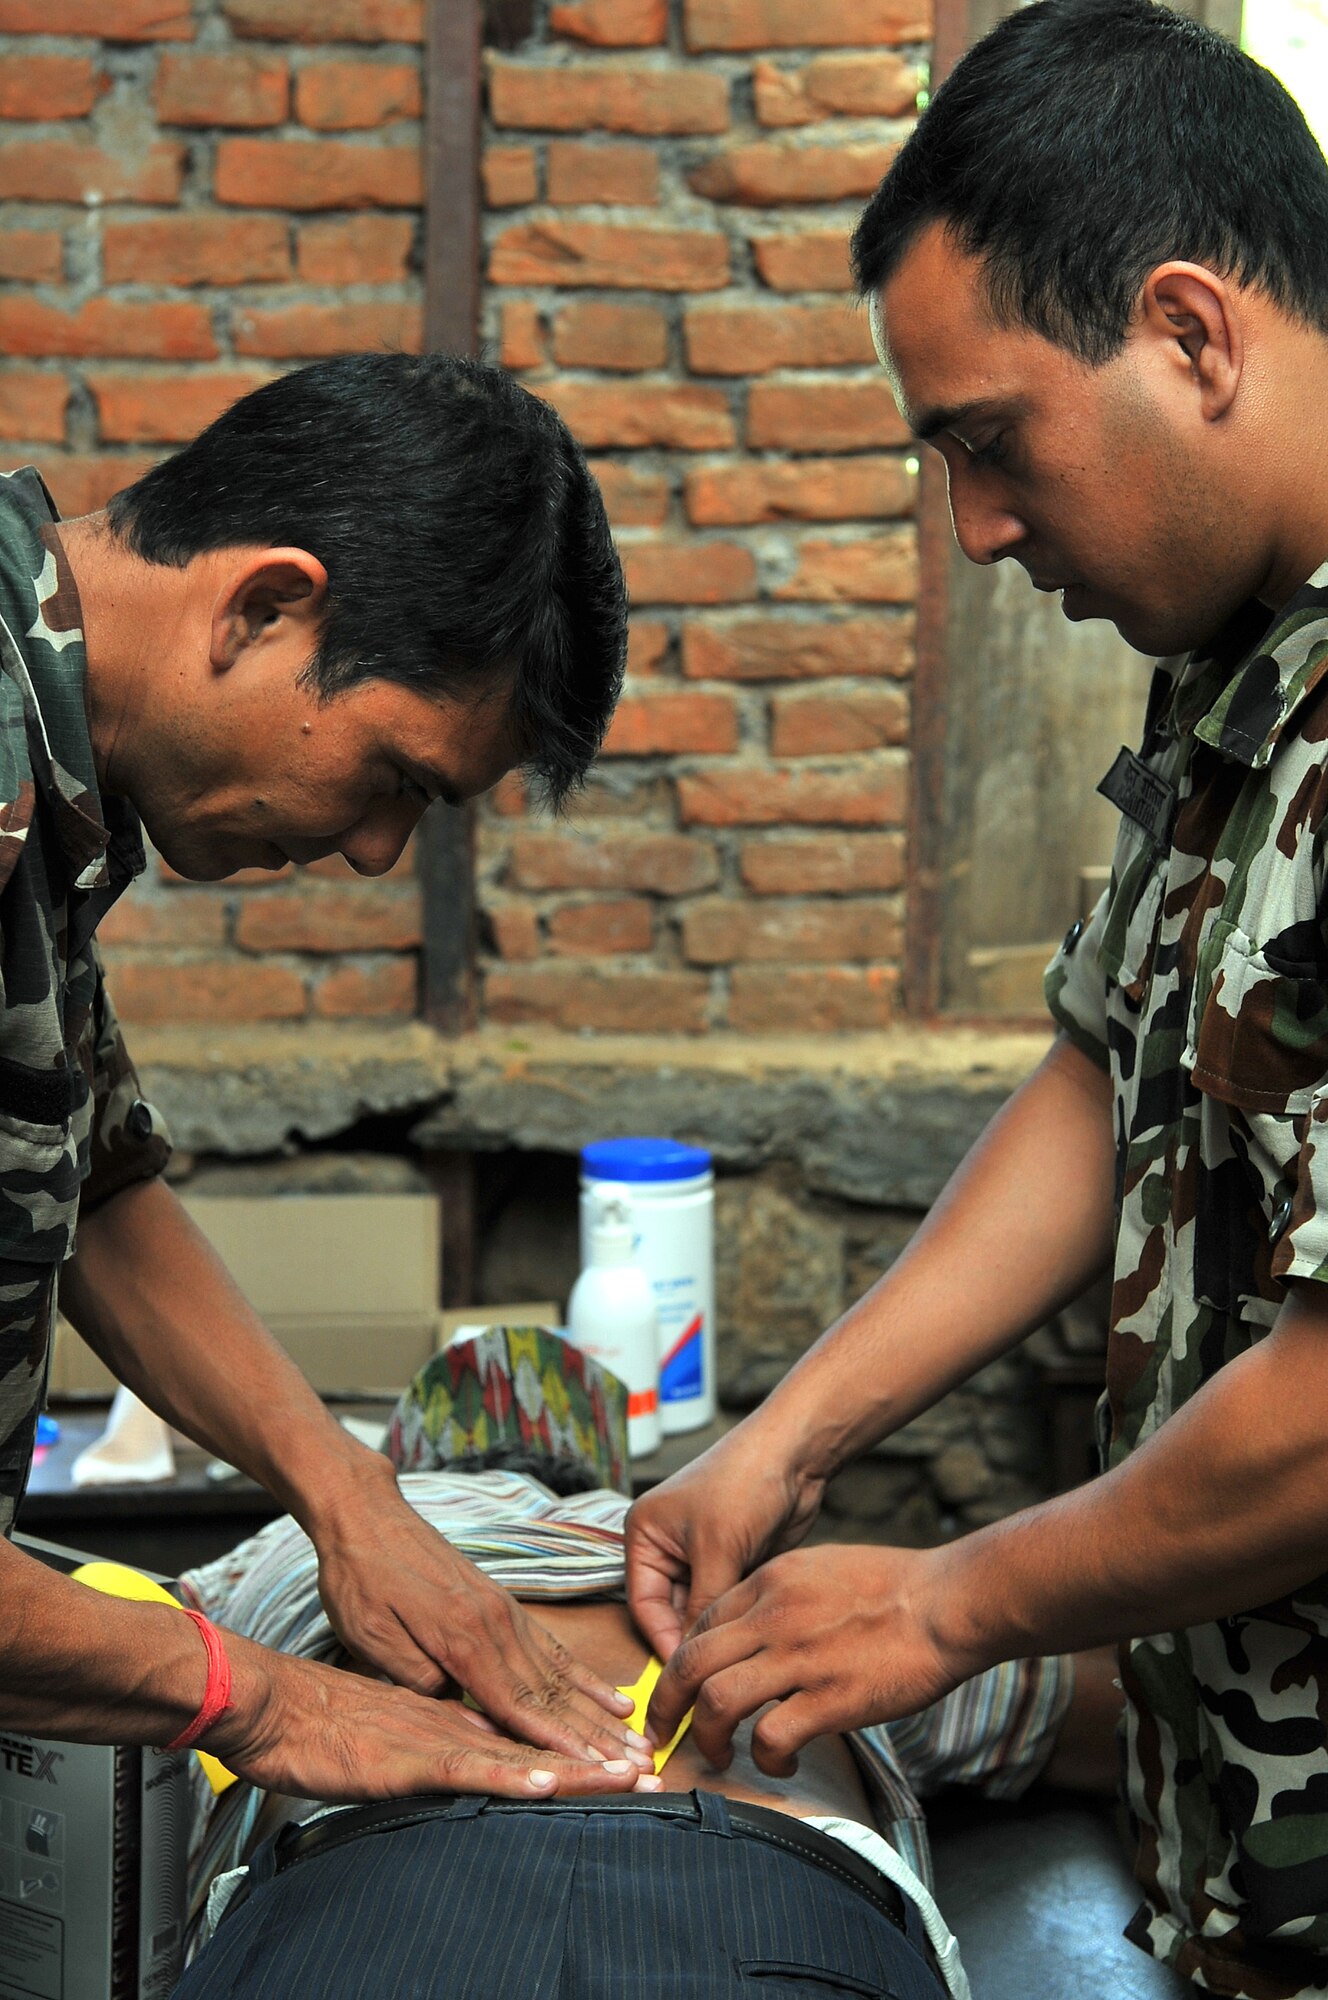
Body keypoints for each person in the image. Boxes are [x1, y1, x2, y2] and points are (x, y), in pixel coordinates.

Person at [627, 4, 1328, 1994]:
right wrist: (786, 1436)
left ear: (1191, 334)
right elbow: (1110, 1076)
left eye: (988, 442)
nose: (979, 530)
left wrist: (954, 1602)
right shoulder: (1241, 663)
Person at [0, 353, 653, 1807]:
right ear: (266, 605)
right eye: (394, 780)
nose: (373, 854)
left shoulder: (51, 788)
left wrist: (351, 1495)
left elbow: (92, 1180)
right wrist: (262, 1704)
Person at [165, 1339, 1111, 2000]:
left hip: (371, 1889)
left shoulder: (304, 1548)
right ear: (606, 1466)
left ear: (412, 1458)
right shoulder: (752, 1593)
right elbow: (1120, 1716)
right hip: (767, 1899)